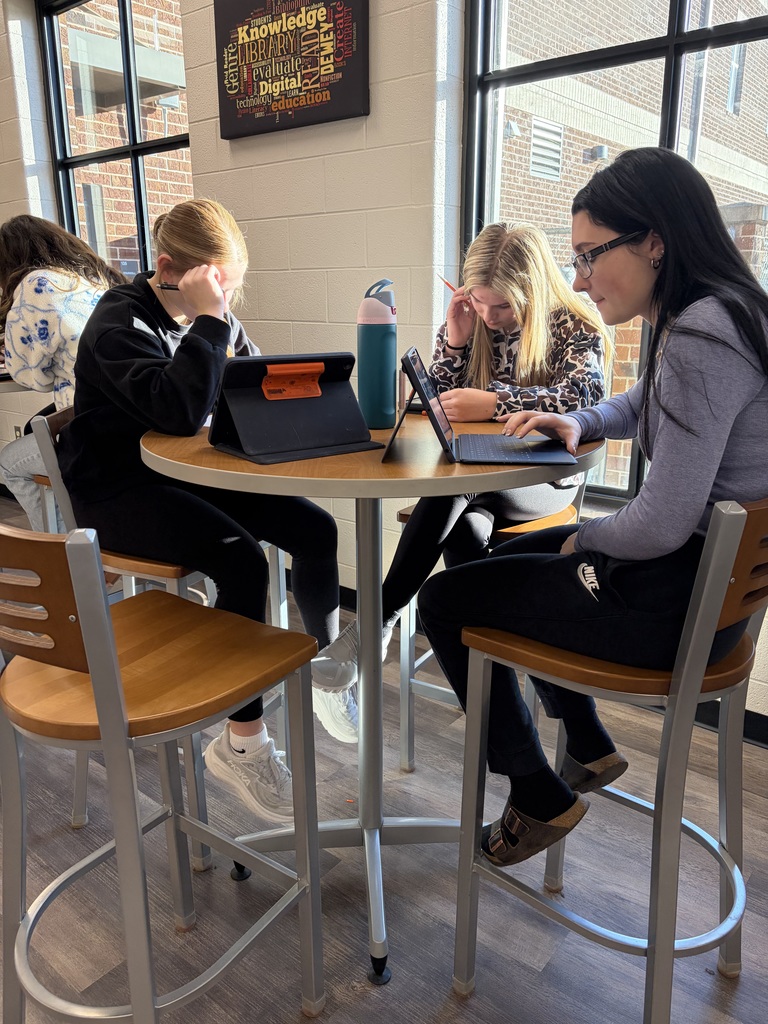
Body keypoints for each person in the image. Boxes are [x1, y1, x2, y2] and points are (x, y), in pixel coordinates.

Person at [418, 148, 768, 867]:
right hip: (710, 600)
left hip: (670, 603)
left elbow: (663, 522)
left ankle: (537, 794)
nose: (576, 278)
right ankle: (588, 745)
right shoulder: (726, 314)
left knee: (446, 602)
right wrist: (583, 423)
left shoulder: (700, 335)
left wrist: (586, 541)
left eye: (588, 256)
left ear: (653, 241)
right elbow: (643, 402)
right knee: (512, 562)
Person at [56, 198, 361, 822]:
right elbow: (174, 408)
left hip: (183, 472)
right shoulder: (118, 324)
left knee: (314, 527)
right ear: (168, 268)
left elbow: (246, 379)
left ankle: (327, 671)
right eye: (215, 289)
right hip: (116, 490)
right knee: (244, 565)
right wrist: (210, 321)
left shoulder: (205, 314)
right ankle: (241, 744)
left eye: (229, 292)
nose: (225, 306)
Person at [378, 222, 608, 656]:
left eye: (501, 306)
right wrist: (456, 341)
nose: (488, 316)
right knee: (463, 526)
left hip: (543, 480)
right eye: (479, 301)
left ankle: (379, 619)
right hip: (480, 479)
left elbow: (583, 397)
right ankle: (485, 666)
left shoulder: (576, 325)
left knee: (459, 483)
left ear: (533, 292)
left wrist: (493, 403)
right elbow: (438, 402)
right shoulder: (474, 323)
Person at [0, 215, 125, 531]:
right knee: (34, 430)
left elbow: (33, 377)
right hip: (128, 418)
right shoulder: (95, 279)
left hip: (96, 431)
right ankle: (78, 537)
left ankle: (60, 557)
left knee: (8, 464)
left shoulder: (35, 284)